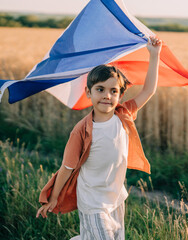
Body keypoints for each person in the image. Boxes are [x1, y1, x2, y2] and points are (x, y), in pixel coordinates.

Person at [36, 36, 162, 240]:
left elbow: (148, 90)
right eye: (100, 90)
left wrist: (154, 55)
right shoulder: (82, 131)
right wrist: (54, 197)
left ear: (120, 95)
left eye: (113, 91)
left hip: (116, 198)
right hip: (92, 202)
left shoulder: (124, 114)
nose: (107, 96)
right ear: (88, 92)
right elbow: (66, 168)